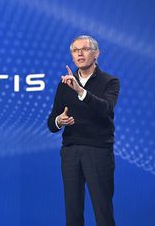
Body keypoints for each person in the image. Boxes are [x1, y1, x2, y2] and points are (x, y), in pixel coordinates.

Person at [47, 35, 120, 226]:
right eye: (75, 50)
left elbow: (106, 109)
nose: (79, 53)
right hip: (71, 152)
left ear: (96, 54)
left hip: (98, 151)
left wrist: (80, 91)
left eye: (85, 49)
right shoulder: (64, 85)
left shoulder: (110, 82)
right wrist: (59, 121)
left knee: (102, 211)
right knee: (73, 212)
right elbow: (51, 123)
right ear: (72, 56)